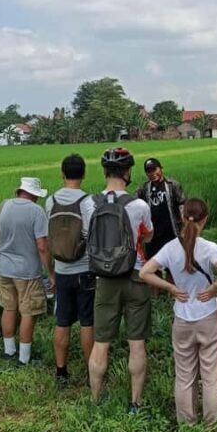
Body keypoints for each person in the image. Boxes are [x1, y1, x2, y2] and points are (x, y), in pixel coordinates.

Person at [140, 199, 217, 426]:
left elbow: (145, 272)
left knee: (184, 376)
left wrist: (171, 288)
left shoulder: (170, 248)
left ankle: (187, 425)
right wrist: (213, 289)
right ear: (205, 219)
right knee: (211, 378)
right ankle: (212, 427)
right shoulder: (210, 248)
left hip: (182, 318)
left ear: (183, 218)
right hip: (209, 316)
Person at [87, 148, 154, 413]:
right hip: (136, 276)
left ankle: (95, 398)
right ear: (128, 173)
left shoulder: (89, 204)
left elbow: (87, 238)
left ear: (104, 172)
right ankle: (135, 402)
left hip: (104, 279)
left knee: (101, 342)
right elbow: (147, 236)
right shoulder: (139, 205)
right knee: (136, 342)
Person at [0, 177, 54, 366]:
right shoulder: (37, 211)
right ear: (33, 194)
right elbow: (42, 246)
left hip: (4, 269)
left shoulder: (3, 206)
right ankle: (24, 359)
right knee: (28, 312)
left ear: (20, 191)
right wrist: (51, 273)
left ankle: (9, 352)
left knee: (8, 308)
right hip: (28, 272)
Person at [45, 153, 96, 387]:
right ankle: (90, 370)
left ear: (62, 174)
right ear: (83, 174)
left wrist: (52, 273)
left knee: (62, 321)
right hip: (85, 270)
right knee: (87, 321)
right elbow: (92, 235)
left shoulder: (50, 201)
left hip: (62, 270)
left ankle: (61, 372)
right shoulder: (88, 202)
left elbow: (48, 239)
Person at [136, 158, 186, 259]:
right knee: (153, 265)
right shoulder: (143, 188)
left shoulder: (172, 185)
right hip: (152, 235)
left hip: (171, 232)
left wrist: (185, 224)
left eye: (154, 170)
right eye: (148, 171)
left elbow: (182, 203)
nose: (152, 173)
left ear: (161, 168)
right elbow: (134, 204)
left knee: (174, 262)